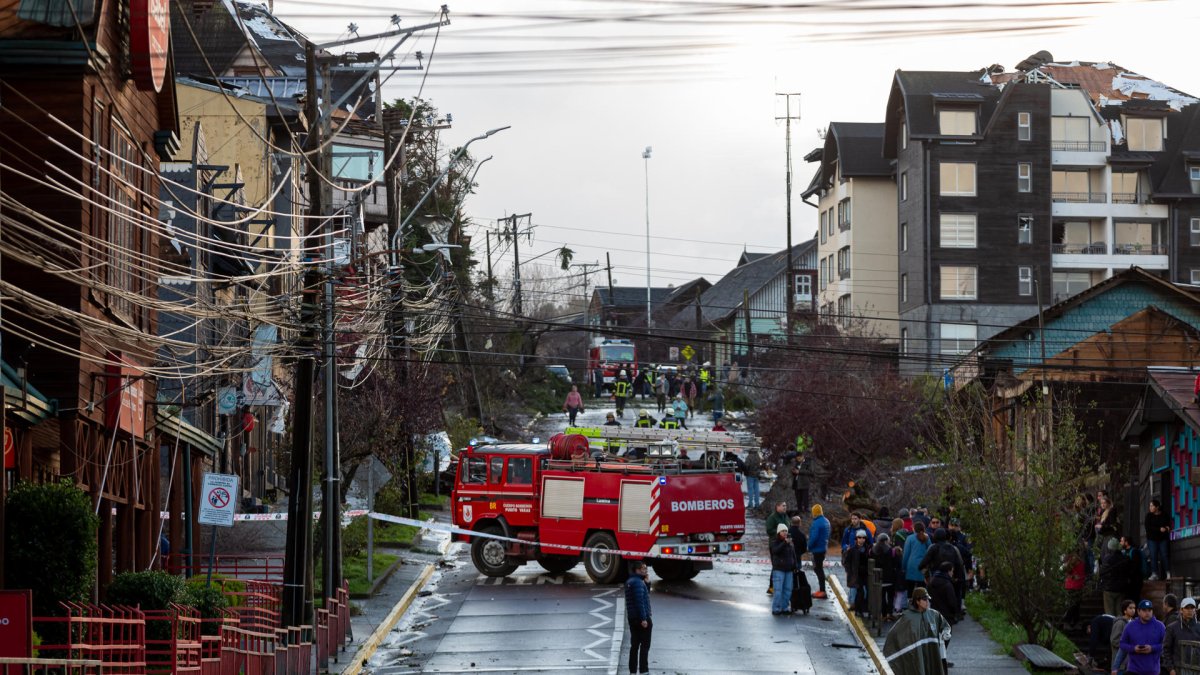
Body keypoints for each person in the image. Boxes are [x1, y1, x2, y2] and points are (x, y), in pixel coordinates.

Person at [883, 587, 951, 675]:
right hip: (917, 658)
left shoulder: (933, 614)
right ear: (917, 601)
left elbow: (945, 626)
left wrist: (946, 632)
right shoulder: (907, 618)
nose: (927, 602)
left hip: (932, 655)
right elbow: (893, 635)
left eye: (928, 599)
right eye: (924, 599)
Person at [1119, 599, 1166, 675]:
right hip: (1134, 670)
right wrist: (1133, 648)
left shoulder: (1160, 626)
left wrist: (1152, 648)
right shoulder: (1130, 626)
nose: (1147, 613)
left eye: (1149, 610)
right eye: (1144, 610)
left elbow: (1166, 645)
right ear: (1138, 611)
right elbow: (1122, 644)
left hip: (1153, 671)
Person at [624, 561, 653, 674]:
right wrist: (644, 619)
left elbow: (644, 596)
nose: (645, 570)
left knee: (634, 645)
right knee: (645, 646)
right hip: (641, 618)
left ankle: (632, 671)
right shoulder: (638, 583)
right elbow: (640, 602)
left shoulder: (631, 581)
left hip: (632, 618)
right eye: (643, 568)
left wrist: (647, 584)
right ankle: (644, 671)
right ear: (637, 570)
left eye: (646, 568)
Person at [1163, 596, 1200, 675]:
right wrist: (1171, 669)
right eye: (1187, 608)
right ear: (1181, 610)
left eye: (1192, 608)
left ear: (1195, 610)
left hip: (1196, 669)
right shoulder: (1171, 628)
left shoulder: (1199, 627)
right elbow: (1166, 650)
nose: (1190, 610)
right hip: (1178, 669)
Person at [1100, 538, 1131, 617]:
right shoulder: (1124, 558)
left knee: (1109, 613)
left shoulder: (1107, 559)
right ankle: (1120, 627)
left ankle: (1111, 628)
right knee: (1120, 611)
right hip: (1121, 588)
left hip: (1109, 588)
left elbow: (1102, 573)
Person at [770, 523, 797, 615]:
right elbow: (775, 551)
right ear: (779, 532)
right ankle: (776, 608)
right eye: (783, 531)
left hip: (789, 570)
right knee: (778, 591)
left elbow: (793, 555)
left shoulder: (790, 543)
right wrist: (784, 543)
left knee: (788, 590)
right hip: (779, 570)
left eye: (786, 531)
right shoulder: (775, 542)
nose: (785, 533)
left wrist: (795, 566)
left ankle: (784, 607)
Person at [844, 529, 870, 615]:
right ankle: (856, 608)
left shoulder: (868, 549)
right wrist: (849, 572)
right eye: (859, 537)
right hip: (855, 574)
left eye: (863, 538)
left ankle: (860, 608)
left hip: (865, 574)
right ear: (856, 538)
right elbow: (847, 562)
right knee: (857, 591)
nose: (861, 539)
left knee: (864, 593)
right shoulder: (852, 550)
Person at [765, 502, 789, 594]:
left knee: (783, 565)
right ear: (777, 506)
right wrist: (780, 532)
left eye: (785, 506)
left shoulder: (785, 517)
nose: (785, 507)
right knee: (775, 565)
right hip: (775, 544)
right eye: (783, 506)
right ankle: (771, 586)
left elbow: (788, 525)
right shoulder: (772, 518)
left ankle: (781, 585)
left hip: (785, 544)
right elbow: (769, 530)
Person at [1145, 499, 1171, 581]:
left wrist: (1166, 528)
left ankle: (1168, 572)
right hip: (1152, 539)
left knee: (1164, 555)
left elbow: (1168, 524)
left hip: (1162, 538)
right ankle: (1154, 573)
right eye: (1150, 506)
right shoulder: (1149, 516)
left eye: (1152, 506)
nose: (1150, 507)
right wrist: (1159, 529)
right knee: (1153, 556)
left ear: (1157, 507)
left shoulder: (1164, 515)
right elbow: (1148, 528)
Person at [809, 504, 830, 600]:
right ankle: (822, 590)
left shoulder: (816, 523)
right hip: (823, 548)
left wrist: (809, 546)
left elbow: (814, 537)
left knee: (818, 569)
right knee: (819, 569)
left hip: (817, 549)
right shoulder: (826, 521)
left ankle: (822, 591)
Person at [929, 561, 958, 625]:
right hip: (947, 615)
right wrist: (955, 612)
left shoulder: (932, 581)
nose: (952, 573)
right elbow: (952, 601)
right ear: (948, 571)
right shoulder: (948, 584)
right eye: (952, 571)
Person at [1120, 535, 1145, 605]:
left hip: (1135, 581)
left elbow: (1136, 567)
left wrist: (1129, 576)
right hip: (1129, 581)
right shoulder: (1124, 552)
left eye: (1122, 541)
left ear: (1126, 542)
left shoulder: (1134, 551)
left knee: (1135, 599)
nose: (1120, 543)